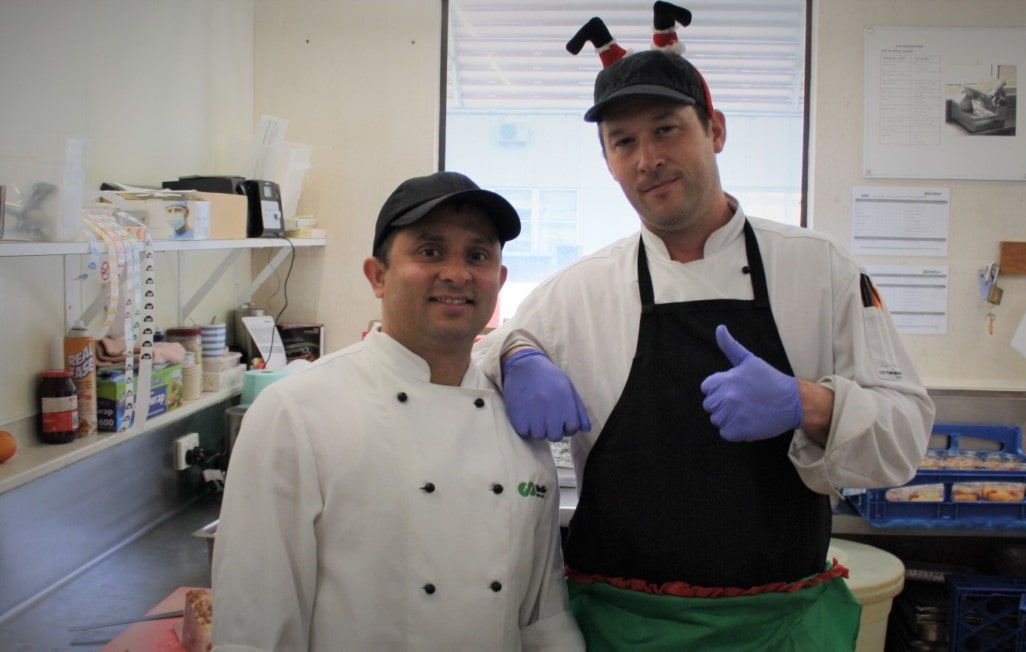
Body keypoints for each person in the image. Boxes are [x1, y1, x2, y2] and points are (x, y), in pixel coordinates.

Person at [473, 3, 935, 650]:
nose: (648, 159)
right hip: (616, 628)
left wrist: (810, 403)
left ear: (715, 129)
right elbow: (473, 356)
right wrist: (515, 355)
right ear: (607, 161)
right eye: (624, 142)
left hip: (782, 627)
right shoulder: (577, 293)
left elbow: (905, 436)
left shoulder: (821, 271)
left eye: (667, 130)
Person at [211, 171, 585, 651]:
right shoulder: (296, 414)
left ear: (500, 280)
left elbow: (542, 617)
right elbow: (254, 630)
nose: (457, 273)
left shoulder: (519, 426)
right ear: (377, 276)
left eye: (478, 255)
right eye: (430, 252)